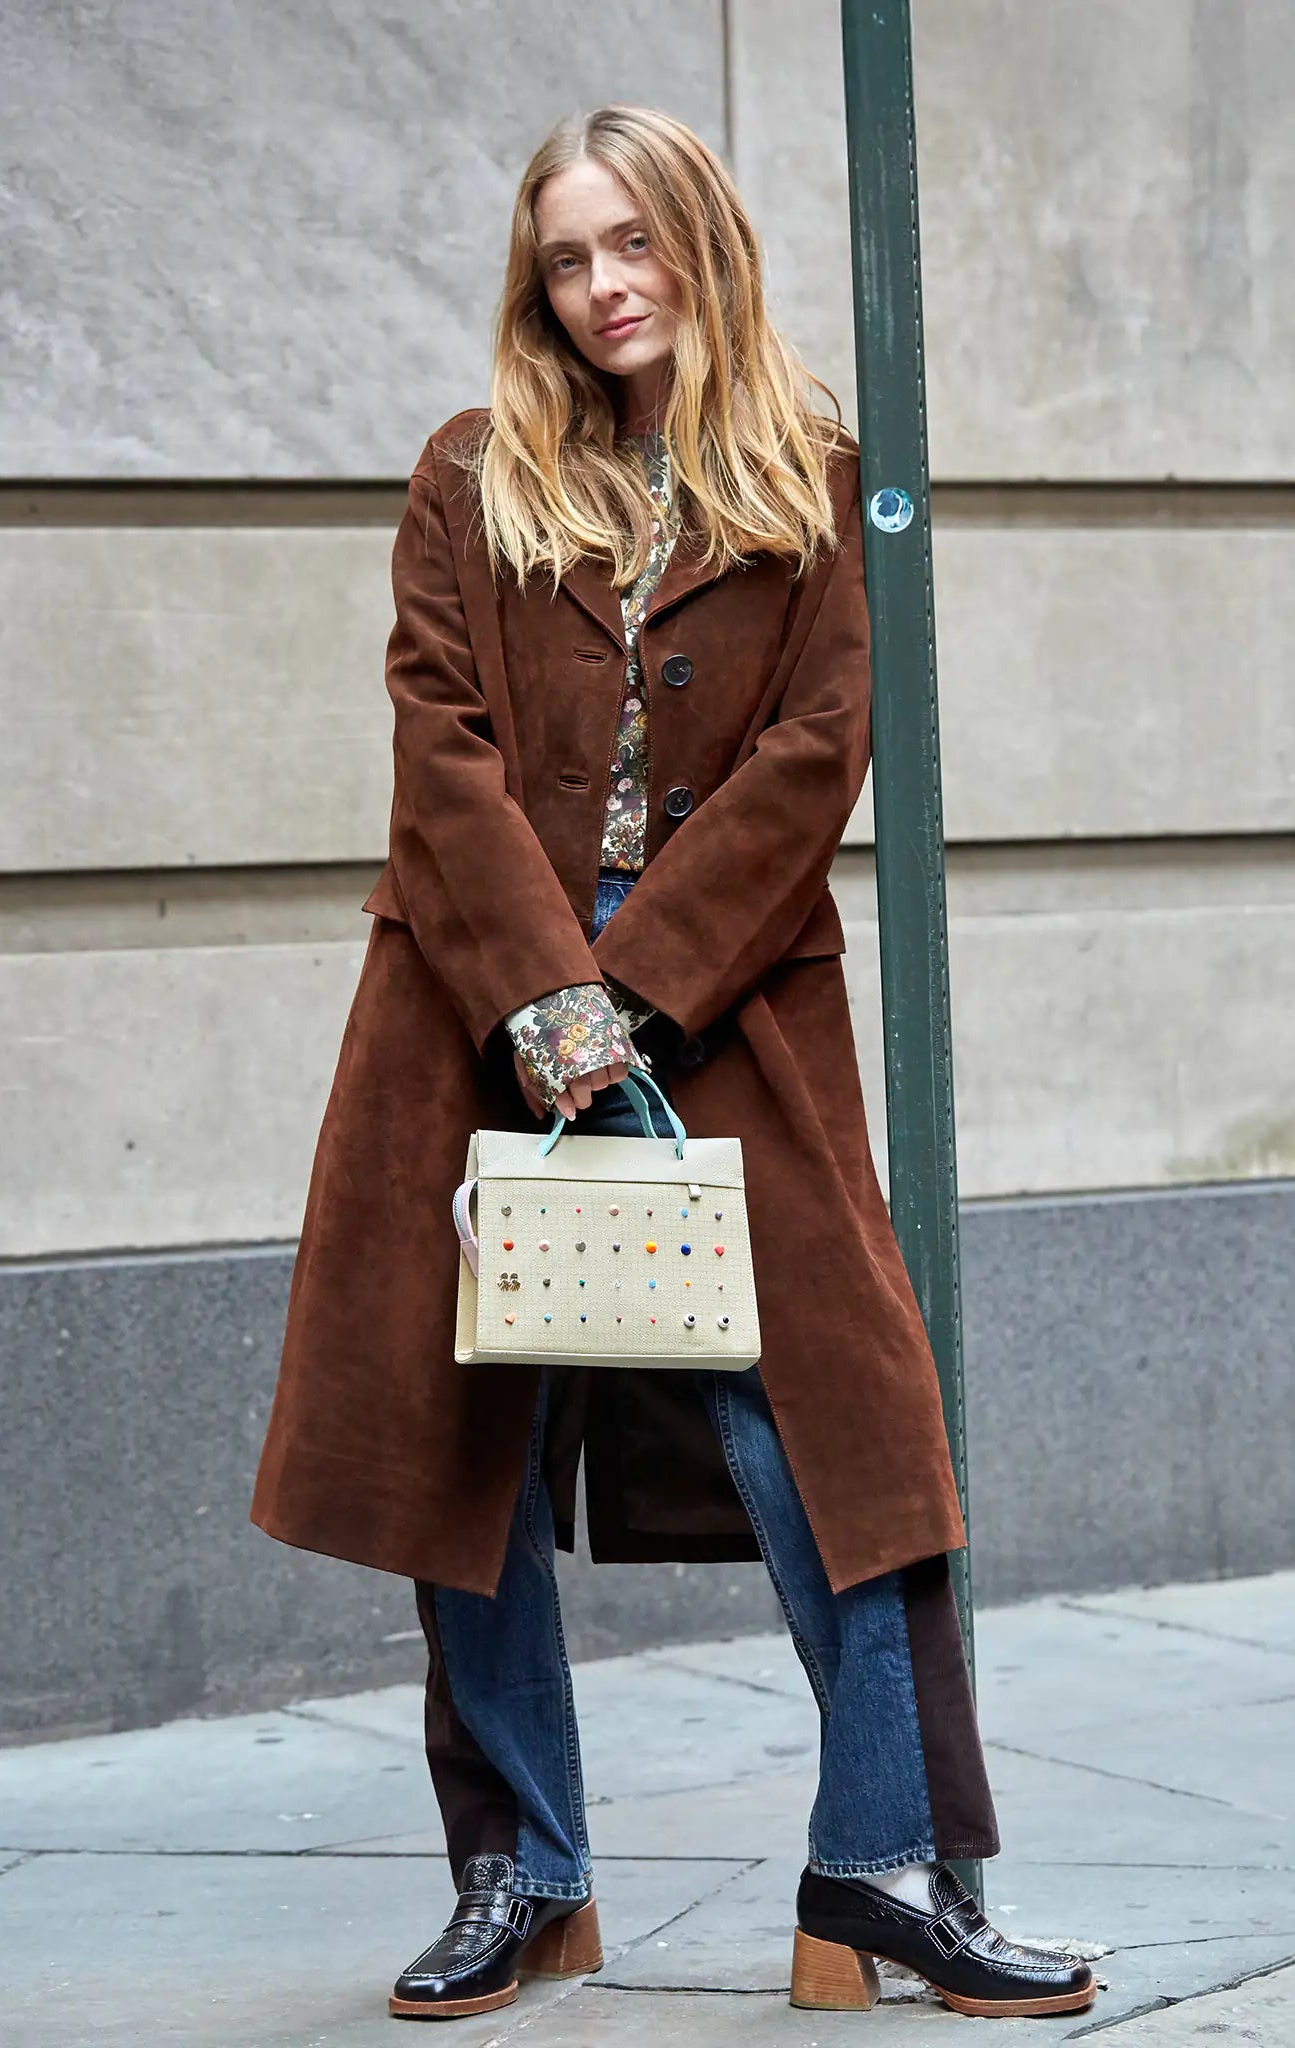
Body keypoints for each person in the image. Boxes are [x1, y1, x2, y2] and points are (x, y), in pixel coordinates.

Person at [249, 104, 1095, 2025]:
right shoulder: (472, 476)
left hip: (728, 1005)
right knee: (468, 1449)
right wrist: (545, 995)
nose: (607, 286)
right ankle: (522, 1873)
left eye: (637, 244)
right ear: (533, 283)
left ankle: (881, 1872)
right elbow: (437, 745)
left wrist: (629, 995)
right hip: (472, 1002)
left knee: (837, 1448)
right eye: (568, 256)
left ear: (704, 246)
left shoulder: (810, 481)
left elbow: (819, 751)